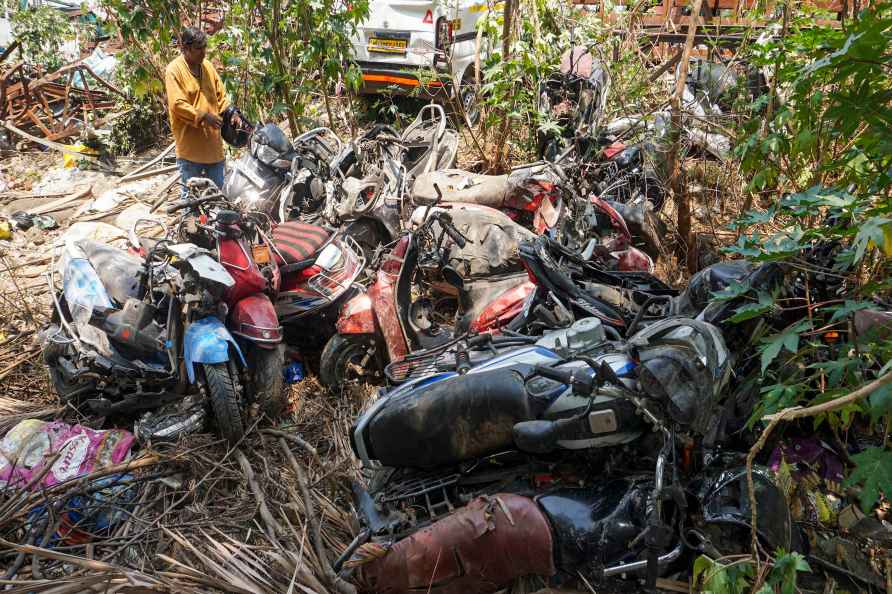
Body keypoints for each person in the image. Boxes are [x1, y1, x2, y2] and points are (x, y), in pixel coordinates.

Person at [164, 27, 238, 195]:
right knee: (191, 199)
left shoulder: (208, 67)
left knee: (218, 196)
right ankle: (188, 221)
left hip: (213, 149)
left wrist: (231, 113)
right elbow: (177, 104)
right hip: (191, 151)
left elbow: (221, 96)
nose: (203, 52)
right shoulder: (174, 70)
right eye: (199, 48)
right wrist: (203, 116)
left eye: (204, 47)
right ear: (186, 48)